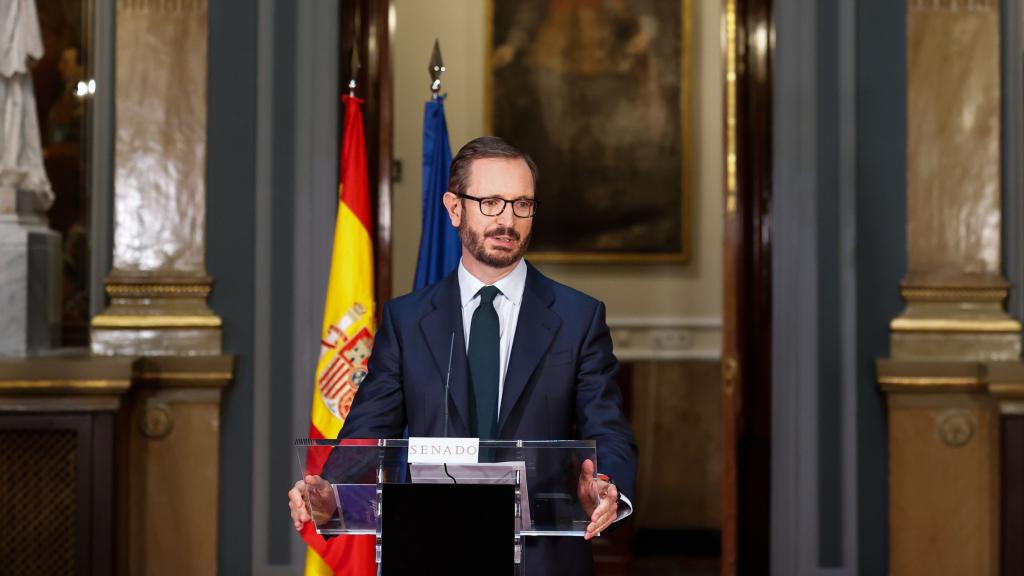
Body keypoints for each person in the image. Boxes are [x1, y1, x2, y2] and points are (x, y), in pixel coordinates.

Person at [289, 136, 637, 575]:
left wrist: (606, 487)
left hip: (543, 560)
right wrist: (328, 494)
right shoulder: (407, 320)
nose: (507, 220)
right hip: (428, 552)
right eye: (491, 202)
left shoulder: (578, 317)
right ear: (454, 208)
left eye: (522, 204)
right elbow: (365, 435)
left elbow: (608, 429)